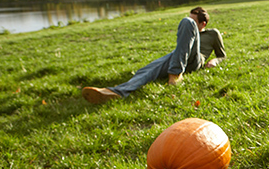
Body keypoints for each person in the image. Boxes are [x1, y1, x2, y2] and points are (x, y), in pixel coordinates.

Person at [82, 7, 226, 104]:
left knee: (185, 23)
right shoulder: (187, 33)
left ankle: (175, 74)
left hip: (195, 61)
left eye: (195, 22)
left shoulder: (213, 33)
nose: (191, 25)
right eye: (191, 20)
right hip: (180, 56)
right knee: (149, 69)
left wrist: (215, 61)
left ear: (203, 23)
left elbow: (222, 55)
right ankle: (117, 92)